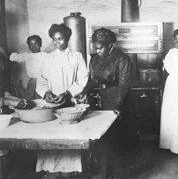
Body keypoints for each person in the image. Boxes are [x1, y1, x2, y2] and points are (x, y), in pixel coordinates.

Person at [76, 27, 142, 178]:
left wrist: (118, 105)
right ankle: (107, 169)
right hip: (104, 96)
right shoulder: (95, 59)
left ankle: (126, 170)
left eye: (99, 48)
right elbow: (93, 80)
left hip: (120, 98)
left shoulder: (122, 58)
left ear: (109, 45)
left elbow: (123, 84)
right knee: (105, 135)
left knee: (122, 134)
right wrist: (85, 91)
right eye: (95, 48)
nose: (97, 51)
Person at [35, 23, 88, 176]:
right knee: (50, 137)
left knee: (69, 137)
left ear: (68, 38)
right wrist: (46, 93)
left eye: (61, 39)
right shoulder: (47, 58)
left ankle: (70, 171)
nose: (58, 43)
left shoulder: (76, 56)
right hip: (51, 105)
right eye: (54, 40)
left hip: (70, 103)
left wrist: (67, 93)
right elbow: (41, 81)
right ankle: (50, 170)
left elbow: (82, 80)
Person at [0, 35, 47, 101]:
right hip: (32, 84)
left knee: (43, 103)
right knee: (30, 104)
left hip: (44, 83)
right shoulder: (26, 56)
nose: (33, 46)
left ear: (40, 44)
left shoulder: (47, 56)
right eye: (31, 44)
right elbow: (10, 57)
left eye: (36, 43)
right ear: (28, 46)